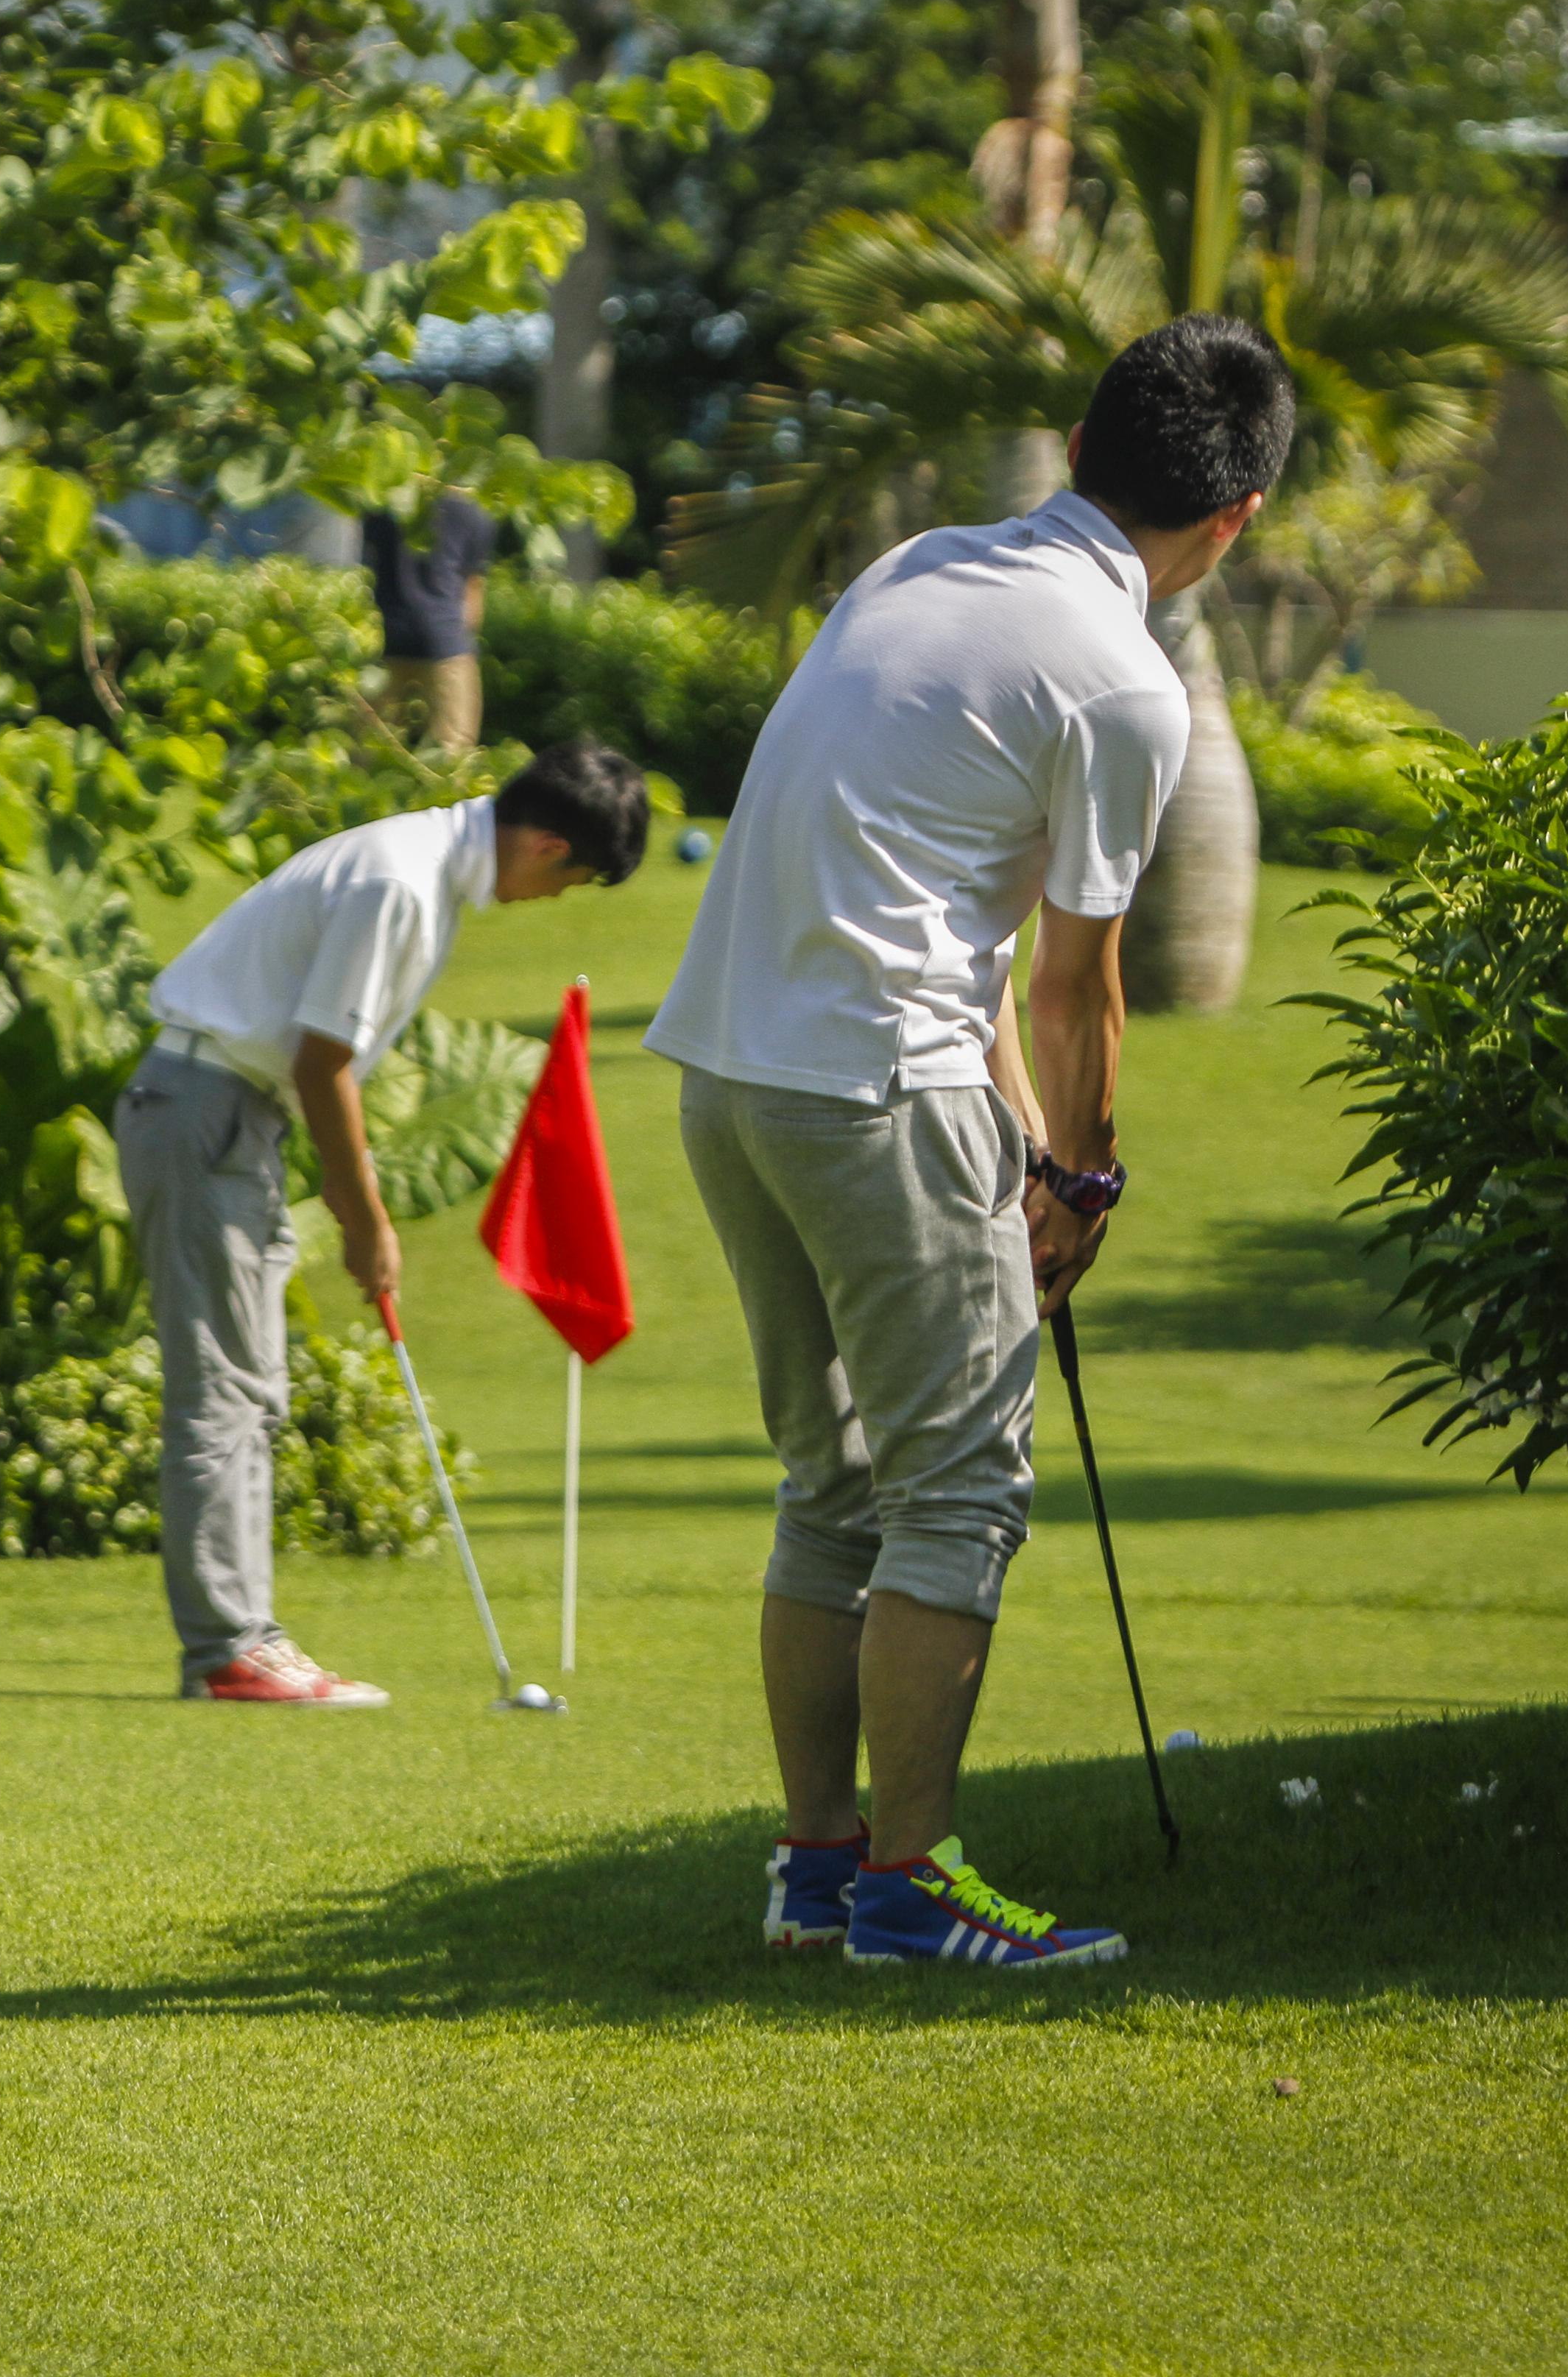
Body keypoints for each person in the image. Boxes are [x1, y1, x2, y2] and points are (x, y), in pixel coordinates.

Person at [643, 313, 1293, 1963]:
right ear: (1235, 523)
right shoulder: (1125, 681)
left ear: (1079, 456)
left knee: (832, 1484)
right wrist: (1082, 1178)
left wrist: (1031, 1151)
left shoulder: (925, 564)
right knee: (955, 1493)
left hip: (734, 1073)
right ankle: (913, 1890)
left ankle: (816, 1869)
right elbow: (1079, 989)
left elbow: (961, 913)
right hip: (878, 1086)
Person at [122, 739, 650, 1704]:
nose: (553, 899)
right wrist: (365, 1220)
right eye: (570, 880)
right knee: (225, 1388)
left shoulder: (422, 868)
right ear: (543, 844)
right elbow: (324, 1061)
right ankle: (230, 1651)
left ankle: (242, 1640)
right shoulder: (402, 884)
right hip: (206, 1106)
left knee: (249, 1382)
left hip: (227, 1110)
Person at [359, 491, 496, 751]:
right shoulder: (475, 513)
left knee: (370, 752)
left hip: (384, 641)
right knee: (453, 755)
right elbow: (473, 592)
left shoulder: (383, 505)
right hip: (446, 644)